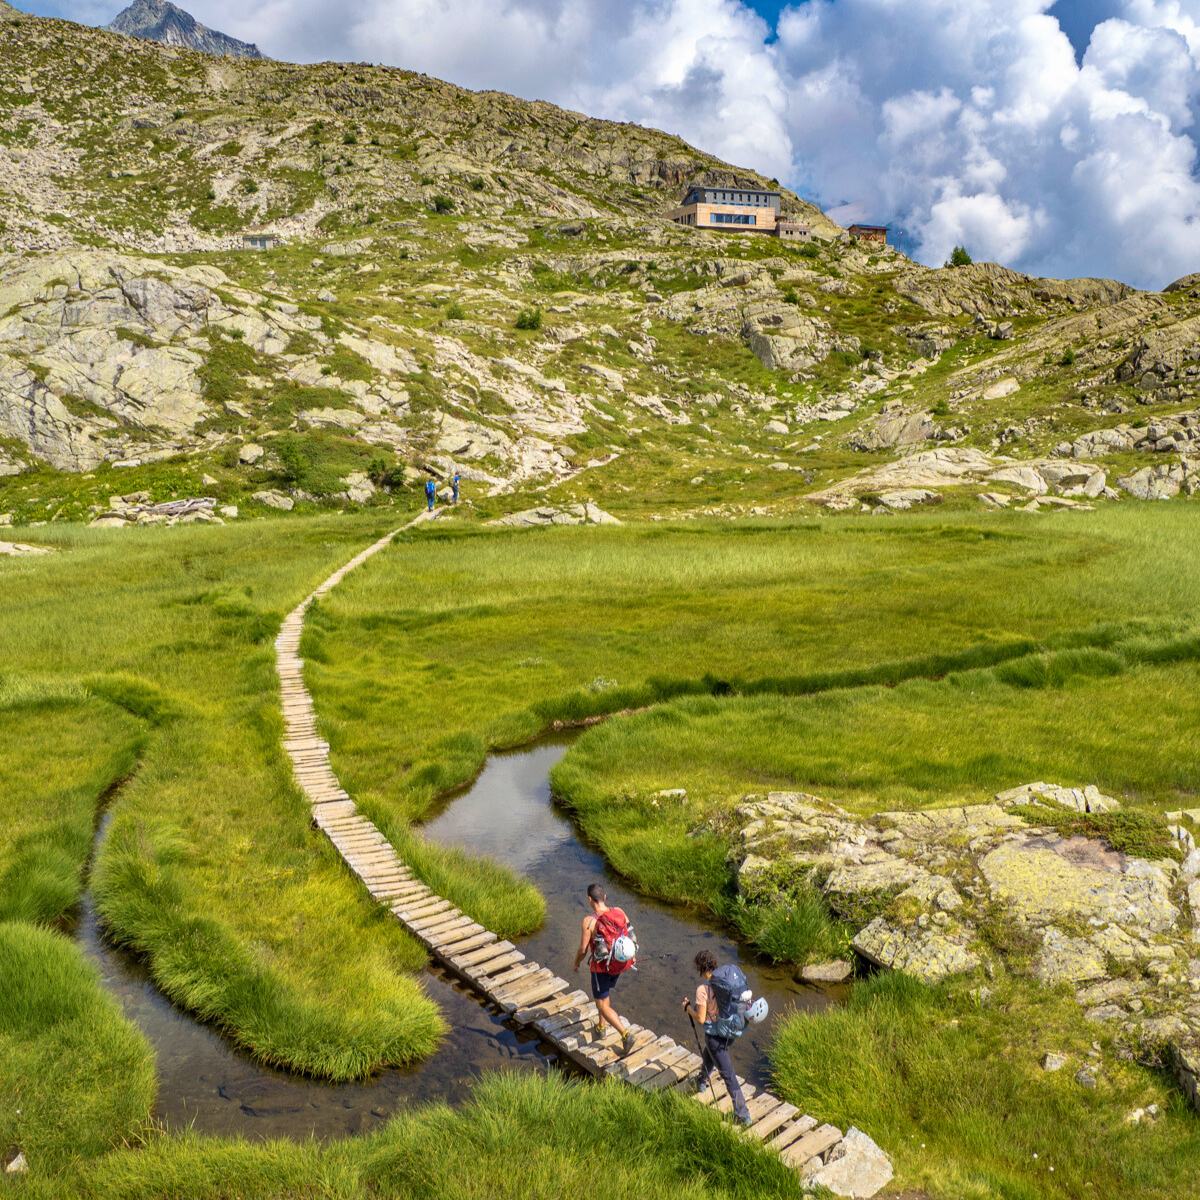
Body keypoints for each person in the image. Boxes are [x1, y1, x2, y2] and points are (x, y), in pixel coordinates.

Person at [682, 949, 751, 1126]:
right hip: (730, 1031)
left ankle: (743, 1115)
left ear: (700, 968)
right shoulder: (727, 984)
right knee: (709, 1055)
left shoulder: (703, 990)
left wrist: (688, 1007)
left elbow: (701, 1018)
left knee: (728, 1074)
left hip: (714, 1036)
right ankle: (702, 1081)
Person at [573, 883, 636, 1056]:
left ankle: (625, 1034)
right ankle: (601, 1027)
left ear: (589, 899)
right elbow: (631, 936)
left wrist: (576, 963)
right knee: (605, 995)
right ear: (605, 897)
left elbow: (583, 950)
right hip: (619, 965)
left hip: (600, 968)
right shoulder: (620, 912)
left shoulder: (589, 921)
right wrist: (632, 956)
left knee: (601, 1004)